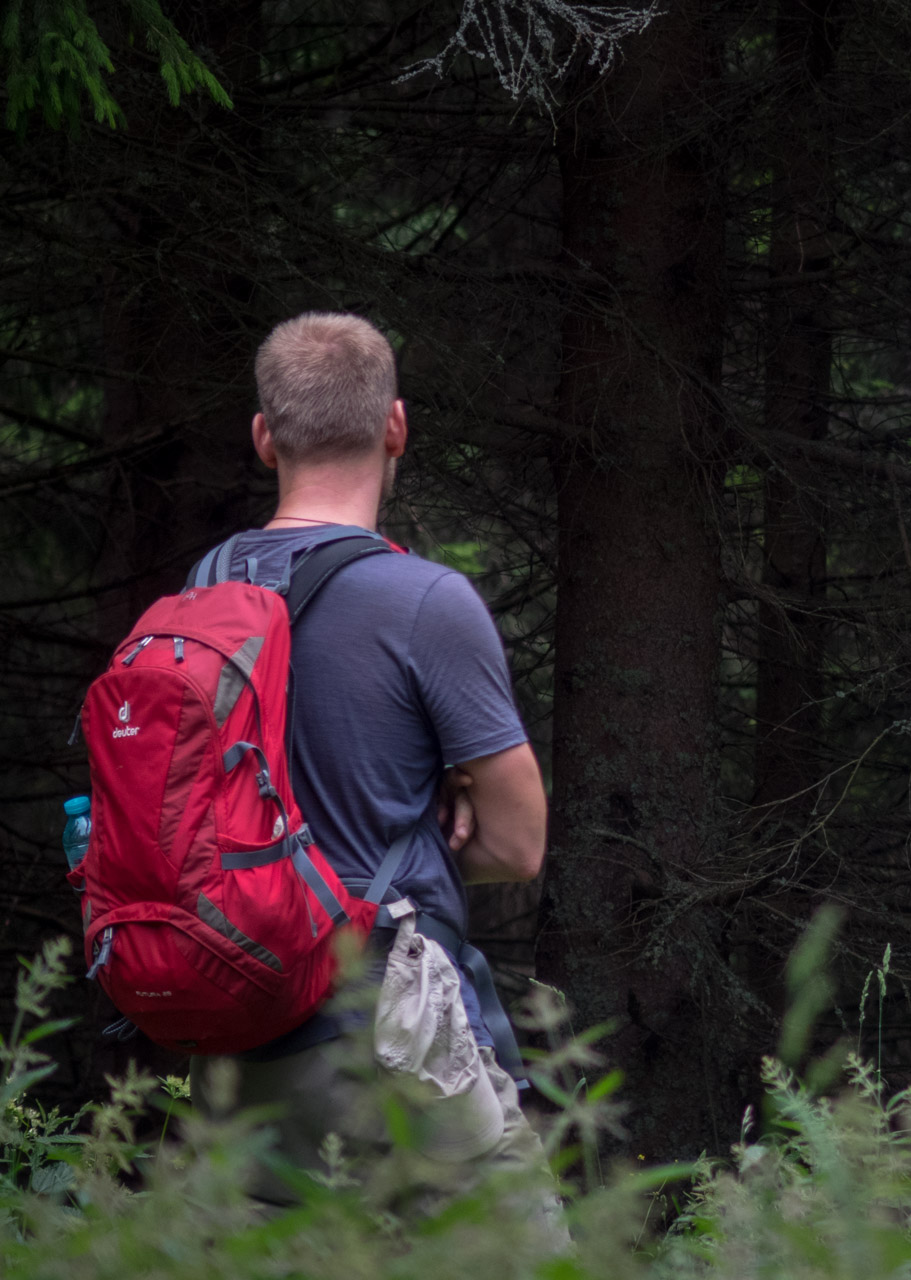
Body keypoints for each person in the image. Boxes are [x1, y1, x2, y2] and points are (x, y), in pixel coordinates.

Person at [184, 312, 561, 1243]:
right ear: (396, 427)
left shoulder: (208, 586)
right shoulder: (427, 601)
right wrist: (434, 825)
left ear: (266, 436)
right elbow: (518, 846)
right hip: (389, 1020)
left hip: (240, 1019)